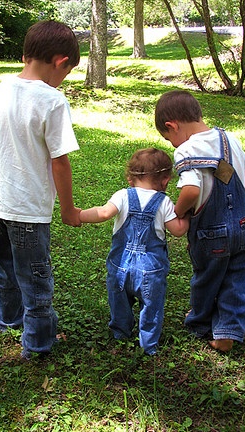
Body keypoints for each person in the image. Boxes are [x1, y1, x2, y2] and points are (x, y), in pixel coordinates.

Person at [0, 20, 81, 361]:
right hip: (27, 209)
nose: (62, 80)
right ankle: (37, 343)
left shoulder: (0, 88)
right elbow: (59, 162)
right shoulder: (52, 100)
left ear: (25, 55)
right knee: (35, 276)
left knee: (0, 262)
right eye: (66, 72)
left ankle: (5, 321)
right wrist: (68, 210)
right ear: (61, 61)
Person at [154, 90, 245, 353]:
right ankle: (227, 333)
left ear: (171, 125)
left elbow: (192, 191)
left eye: (169, 139)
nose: (173, 145)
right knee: (235, 278)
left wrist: (179, 210)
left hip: (210, 233)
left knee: (206, 277)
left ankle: (199, 321)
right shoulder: (228, 138)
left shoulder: (187, 150)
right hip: (242, 226)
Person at [79, 148, 189, 356]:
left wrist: (79, 215)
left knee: (119, 301)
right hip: (151, 271)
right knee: (151, 307)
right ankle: (148, 344)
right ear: (165, 181)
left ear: (131, 178)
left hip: (120, 266)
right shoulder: (164, 202)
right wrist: (189, 215)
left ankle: (120, 332)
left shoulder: (122, 196)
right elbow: (178, 230)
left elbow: (103, 213)